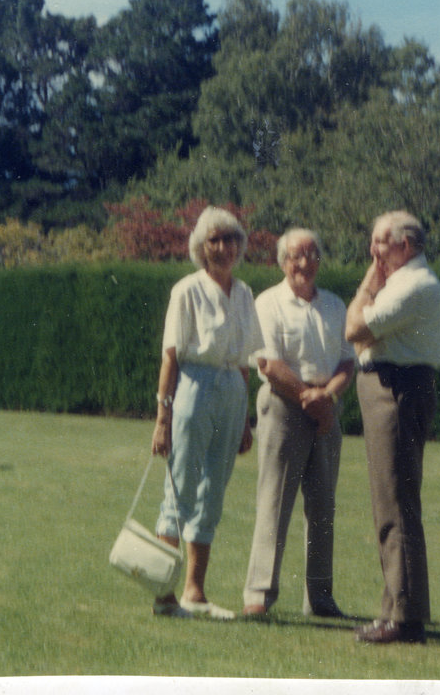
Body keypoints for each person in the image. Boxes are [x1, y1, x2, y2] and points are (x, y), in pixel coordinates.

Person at [150, 206, 264, 620]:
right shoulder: (187, 290)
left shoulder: (246, 293)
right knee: (179, 490)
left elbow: (247, 361)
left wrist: (246, 418)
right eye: (214, 240)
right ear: (201, 246)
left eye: (230, 239)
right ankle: (163, 594)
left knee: (212, 493)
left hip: (231, 391)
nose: (223, 247)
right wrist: (162, 418)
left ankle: (194, 592)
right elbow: (170, 358)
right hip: (193, 389)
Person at [242, 228, 354, 619]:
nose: (303, 263)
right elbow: (269, 364)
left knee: (323, 508)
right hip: (283, 408)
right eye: (294, 256)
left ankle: (320, 600)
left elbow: (346, 361)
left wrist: (329, 398)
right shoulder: (268, 302)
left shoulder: (337, 306)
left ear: (320, 260)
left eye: (310, 254)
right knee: (274, 503)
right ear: (282, 262)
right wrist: (309, 397)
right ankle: (259, 595)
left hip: (327, 409)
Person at [344, 210, 440, 644]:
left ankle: (404, 618)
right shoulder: (404, 283)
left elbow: (353, 327)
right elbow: (362, 334)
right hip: (391, 386)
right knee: (391, 501)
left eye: (381, 243)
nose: (374, 251)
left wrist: (370, 279)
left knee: (396, 503)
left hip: (397, 390)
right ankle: (397, 611)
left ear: (406, 245)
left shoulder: (413, 285)